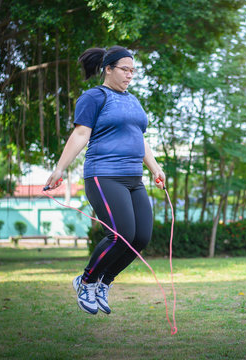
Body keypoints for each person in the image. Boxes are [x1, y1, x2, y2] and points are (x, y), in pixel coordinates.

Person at [45, 45, 165, 315]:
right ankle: (86, 281)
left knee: (140, 237)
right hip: (104, 175)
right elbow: (80, 135)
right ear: (108, 69)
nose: (130, 75)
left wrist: (155, 168)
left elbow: (139, 138)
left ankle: (104, 282)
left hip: (134, 178)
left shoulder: (133, 101)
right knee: (119, 234)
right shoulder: (94, 97)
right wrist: (59, 169)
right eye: (125, 69)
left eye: (133, 70)